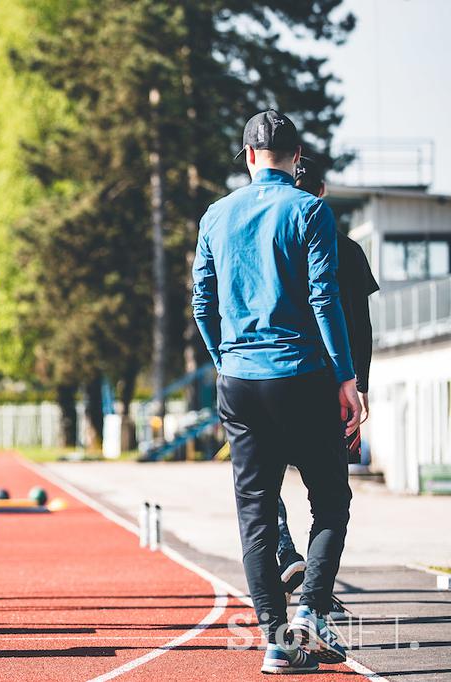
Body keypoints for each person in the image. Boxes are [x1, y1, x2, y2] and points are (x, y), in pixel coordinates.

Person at [192, 110, 362, 674]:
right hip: (303, 376)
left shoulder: (216, 214)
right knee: (331, 501)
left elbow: (202, 305)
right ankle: (312, 607)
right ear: (295, 159)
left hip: (241, 380)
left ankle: (274, 639)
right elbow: (324, 298)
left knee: (256, 513)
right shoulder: (310, 209)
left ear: (247, 157)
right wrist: (346, 377)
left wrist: (227, 363)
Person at [275, 155, 380, 602]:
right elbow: (361, 324)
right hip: (330, 385)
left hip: (271, 376)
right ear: (321, 192)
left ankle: (284, 552)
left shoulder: (276, 243)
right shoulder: (349, 249)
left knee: (259, 482)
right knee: (331, 496)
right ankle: (315, 596)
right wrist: (360, 384)